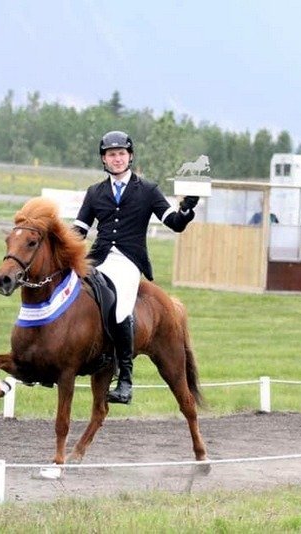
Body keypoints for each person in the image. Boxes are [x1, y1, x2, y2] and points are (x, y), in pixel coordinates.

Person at [72, 130, 200, 405]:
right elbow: (78, 231)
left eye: (121, 154)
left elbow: (174, 223)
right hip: (98, 259)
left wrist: (187, 210)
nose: (117, 159)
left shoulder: (148, 190)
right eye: (111, 155)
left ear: (130, 156)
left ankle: (125, 380)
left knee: (120, 307)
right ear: (104, 159)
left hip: (129, 261)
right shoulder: (95, 192)